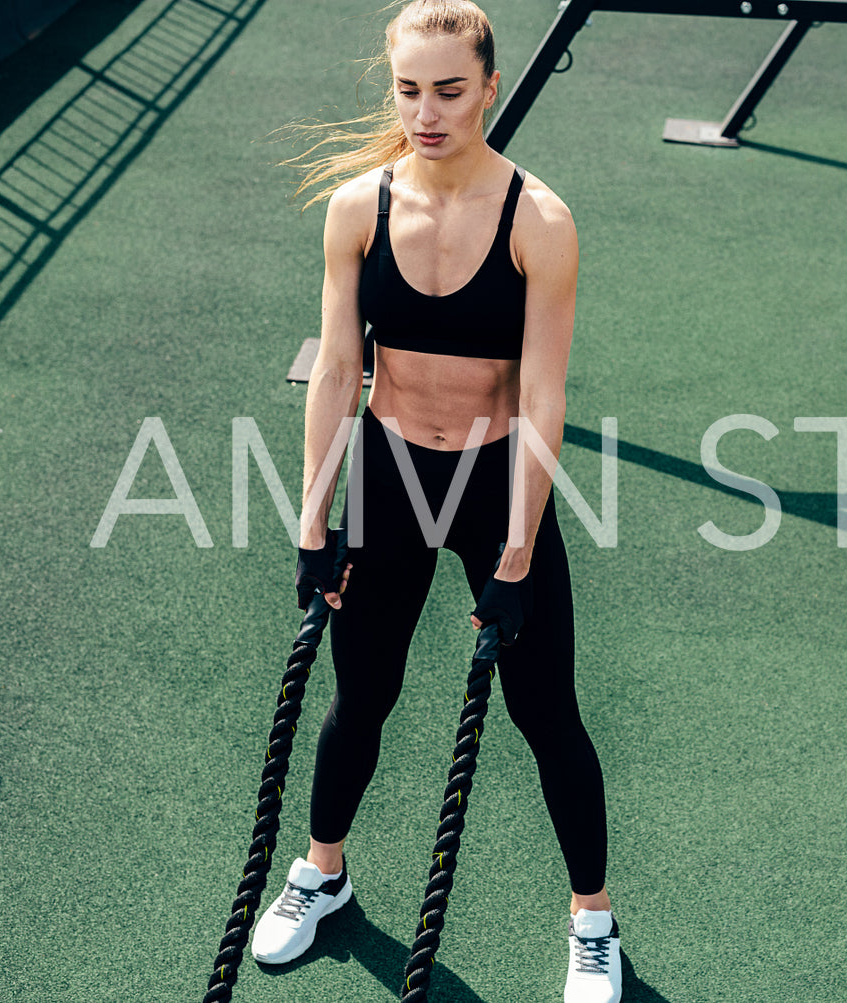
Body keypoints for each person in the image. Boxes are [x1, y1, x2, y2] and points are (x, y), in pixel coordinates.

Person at [248, 4, 619, 1001]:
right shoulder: (358, 209)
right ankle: (322, 876)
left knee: (547, 715)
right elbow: (336, 372)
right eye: (408, 89)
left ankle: (593, 922)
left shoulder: (538, 220)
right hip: (390, 475)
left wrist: (513, 558)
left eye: (449, 90)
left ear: (489, 88)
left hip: (498, 482)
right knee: (360, 695)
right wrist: (313, 522)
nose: (426, 110)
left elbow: (544, 396)